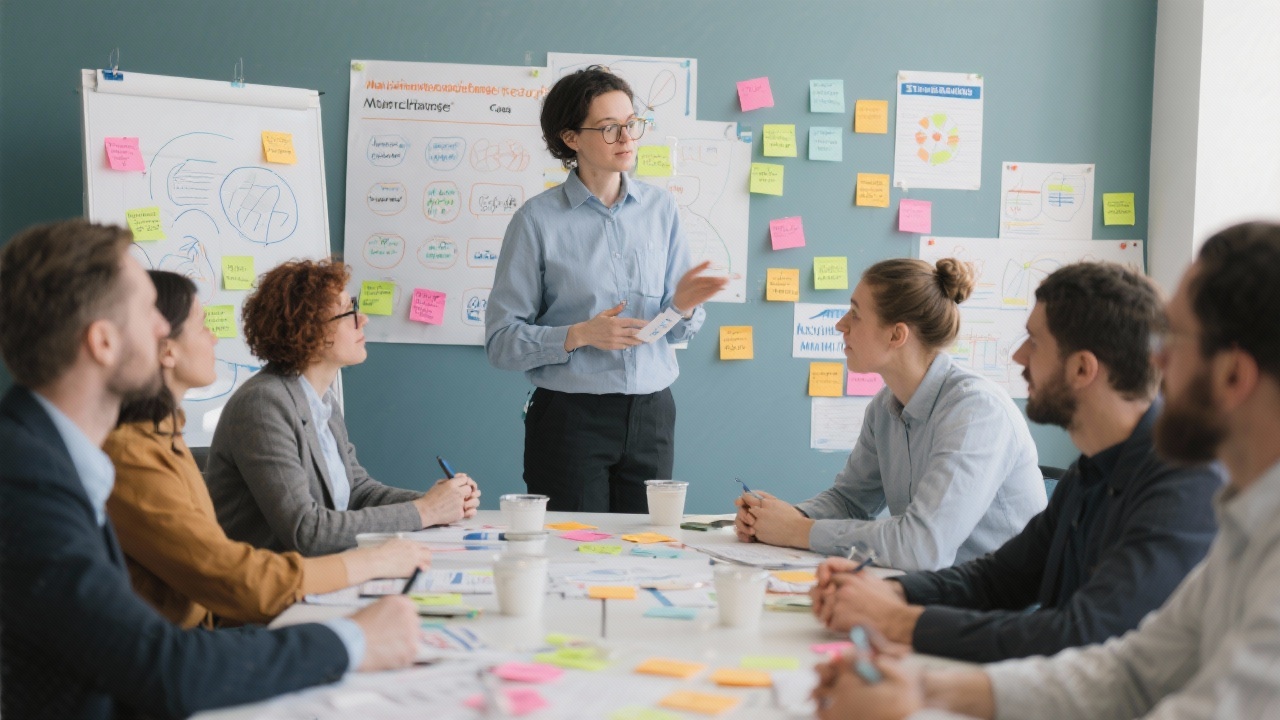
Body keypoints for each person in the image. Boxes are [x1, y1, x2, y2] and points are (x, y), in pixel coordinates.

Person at [811, 221, 1280, 720]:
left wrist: (903, 622)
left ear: (1233, 375)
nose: (1158, 360)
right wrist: (922, 680)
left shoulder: (1191, 490)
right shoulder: (1227, 512)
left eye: (1176, 340)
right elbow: (1128, 672)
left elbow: (1084, 636)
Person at [0, 220, 419, 720]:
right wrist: (355, 640)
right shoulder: (26, 483)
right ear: (103, 343)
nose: (163, 329)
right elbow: (166, 668)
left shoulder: (54, 459)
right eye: (146, 312)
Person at [104, 270, 433, 628]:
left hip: (238, 616)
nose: (215, 338)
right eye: (202, 326)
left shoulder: (168, 435)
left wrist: (433, 506)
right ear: (166, 349)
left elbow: (356, 489)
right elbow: (237, 571)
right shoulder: (138, 453)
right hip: (225, 628)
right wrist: (383, 551)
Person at [485, 65, 727, 513]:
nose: (627, 138)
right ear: (571, 138)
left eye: (632, 124)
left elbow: (673, 333)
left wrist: (684, 309)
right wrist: (577, 335)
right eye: (610, 128)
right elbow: (501, 342)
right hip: (569, 419)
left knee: (645, 549)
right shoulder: (536, 221)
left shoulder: (661, 209)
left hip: (652, 414)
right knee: (573, 555)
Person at [734, 258, 1046, 571]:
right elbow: (850, 501)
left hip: (1004, 608)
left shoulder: (977, 413)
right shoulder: (885, 407)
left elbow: (922, 546)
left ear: (896, 336)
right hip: (943, 589)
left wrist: (796, 531)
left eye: (855, 314)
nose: (840, 325)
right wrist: (780, 517)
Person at [206, 259, 480, 556]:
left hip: (315, 576)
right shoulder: (263, 405)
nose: (363, 319)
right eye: (349, 311)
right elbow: (305, 530)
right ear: (311, 331)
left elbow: (358, 492)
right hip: (267, 591)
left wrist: (439, 501)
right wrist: (426, 511)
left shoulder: (322, 400)